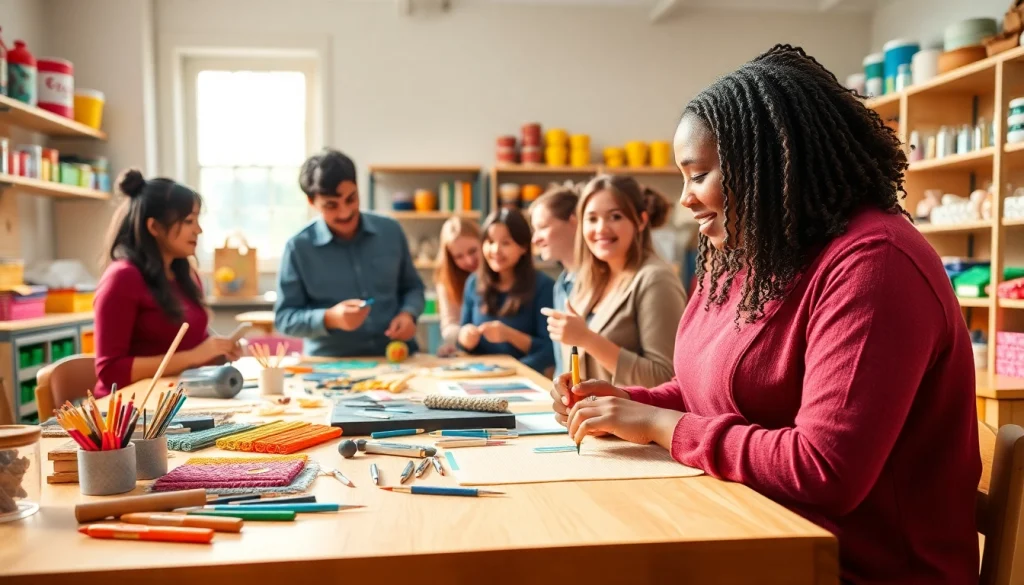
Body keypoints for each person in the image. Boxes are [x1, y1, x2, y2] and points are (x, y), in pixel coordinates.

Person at [551, 45, 979, 585]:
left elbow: (825, 471)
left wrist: (664, 426)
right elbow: (702, 392)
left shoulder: (876, 263)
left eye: (699, 174)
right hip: (757, 532)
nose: (684, 199)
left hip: (861, 569)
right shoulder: (749, 258)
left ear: (768, 165)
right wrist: (622, 405)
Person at [94, 170, 242, 398]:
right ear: (154, 227)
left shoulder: (185, 274)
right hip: (129, 411)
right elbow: (110, 371)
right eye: (188, 221)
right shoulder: (122, 277)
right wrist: (196, 355)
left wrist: (219, 351)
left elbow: (192, 342)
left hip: (174, 401)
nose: (198, 230)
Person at [275, 149, 425, 356]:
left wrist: (408, 314)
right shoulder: (298, 248)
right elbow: (284, 319)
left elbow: (413, 287)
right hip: (330, 364)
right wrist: (330, 318)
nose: (345, 212)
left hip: (396, 358)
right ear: (312, 202)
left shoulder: (391, 231)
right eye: (331, 205)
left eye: (351, 199)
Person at [542, 175, 685, 388]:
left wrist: (587, 339)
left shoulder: (656, 280)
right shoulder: (589, 280)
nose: (601, 228)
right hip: (588, 419)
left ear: (641, 221)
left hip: (633, 421)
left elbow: (665, 378)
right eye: (591, 219)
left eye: (615, 217)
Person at [459, 208, 554, 373]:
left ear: (524, 246)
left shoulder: (543, 286)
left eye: (505, 243)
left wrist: (509, 335)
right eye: (490, 242)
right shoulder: (474, 282)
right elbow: (462, 344)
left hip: (523, 379)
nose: (495, 250)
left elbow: (550, 351)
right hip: (478, 375)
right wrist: (465, 338)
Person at [529, 185, 578, 376]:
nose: (535, 239)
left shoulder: (600, 283)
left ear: (573, 222)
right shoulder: (561, 285)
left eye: (542, 227)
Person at [434, 216, 481, 356]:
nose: (469, 260)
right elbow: (448, 324)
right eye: (459, 256)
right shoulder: (446, 280)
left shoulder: (499, 272)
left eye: (473, 251)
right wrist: (461, 335)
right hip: (468, 351)